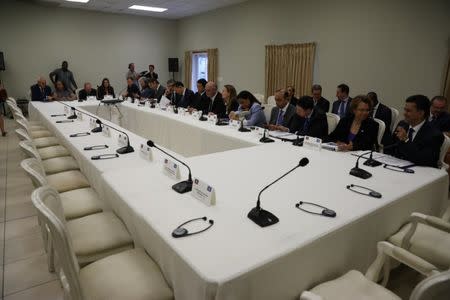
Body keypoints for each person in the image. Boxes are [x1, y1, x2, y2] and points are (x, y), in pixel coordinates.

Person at [387, 95, 444, 168]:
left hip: (421, 171)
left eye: (408, 111)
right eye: (405, 109)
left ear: (421, 113)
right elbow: (391, 147)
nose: (404, 113)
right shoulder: (403, 124)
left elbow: (423, 160)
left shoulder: (434, 135)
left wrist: (406, 140)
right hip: (398, 166)